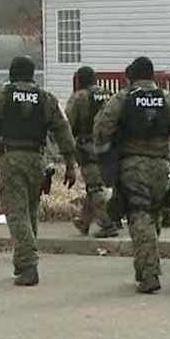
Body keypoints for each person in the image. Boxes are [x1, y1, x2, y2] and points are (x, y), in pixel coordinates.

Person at [93, 56, 170, 294]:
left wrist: (103, 153)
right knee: (152, 216)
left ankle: (149, 274)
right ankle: (145, 266)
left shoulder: (123, 98)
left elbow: (101, 127)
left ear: (133, 77)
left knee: (140, 217)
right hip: (161, 166)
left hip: (133, 166)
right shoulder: (168, 100)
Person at [0, 55, 78, 286]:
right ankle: (23, 260)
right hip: (38, 158)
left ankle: (28, 265)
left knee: (16, 213)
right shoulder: (45, 98)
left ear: (11, 74)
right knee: (30, 211)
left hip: (11, 157)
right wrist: (69, 163)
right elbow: (62, 128)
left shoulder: (2, 96)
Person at [64, 66, 119, 239]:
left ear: (80, 80)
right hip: (109, 146)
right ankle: (85, 221)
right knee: (96, 184)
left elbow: (67, 124)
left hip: (87, 146)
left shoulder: (79, 97)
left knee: (95, 187)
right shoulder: (109, 95)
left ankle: (107, 223)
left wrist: (67, 147)